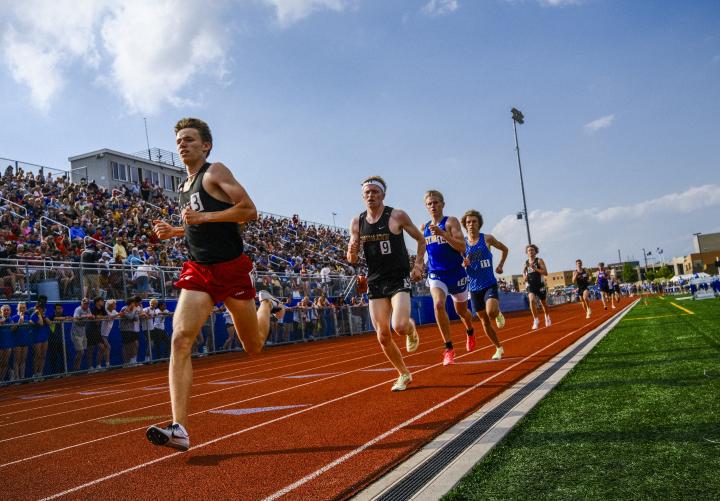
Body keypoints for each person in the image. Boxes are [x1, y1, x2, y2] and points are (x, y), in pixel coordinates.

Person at [147, 117, 284, 451]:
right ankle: (180, 428)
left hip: (233, 270)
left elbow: (249, 211)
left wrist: (203, 218)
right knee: (180, 339)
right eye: (179, 140)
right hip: (200, 272)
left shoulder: (215, 172)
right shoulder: (183, 187)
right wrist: (176, 231)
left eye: (190, 139)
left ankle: (267, 304)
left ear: (205, 145)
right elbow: (199, 227)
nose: (183, 144)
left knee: (253, 346)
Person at [347, 175, 425, 392]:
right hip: (375, 281)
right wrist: (351, 252)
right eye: (367, 192)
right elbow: (351, 258)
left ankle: (411, 330)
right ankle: (404, 373)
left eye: (375, 191)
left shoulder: (396, 216)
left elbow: (421, 239)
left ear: (383, 194)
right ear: (362, 196)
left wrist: (418, 265)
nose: (370, 195)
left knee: (399, 325)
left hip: (398, 278)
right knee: (383, 335)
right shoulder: (357, 222)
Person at [422, 190, 476, 364]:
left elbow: (462, 247)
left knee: (462, 311)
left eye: (436, 202)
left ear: (443, 204)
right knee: (438, 304)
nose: (433, 206)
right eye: (430, 203)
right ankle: (449, 348)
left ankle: (469, 330)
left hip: (456, 273)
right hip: (437, 273)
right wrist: (417, 266)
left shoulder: (450, 222)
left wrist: (443, 234)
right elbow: (424, 250)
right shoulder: (424, 228)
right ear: (426, 206)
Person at [461, 210, 508, 360]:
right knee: (484, 321)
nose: (471, 224)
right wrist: (462, 264)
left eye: (474, 221)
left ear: (479, 223)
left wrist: (500, 265)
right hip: (474, 288)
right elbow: (457, 264)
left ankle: (498, 312)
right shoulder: (461, 244)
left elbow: (505, 249)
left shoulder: (487, 239)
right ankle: (498, 348)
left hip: (489, 283)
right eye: (468, 222)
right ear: (464, 225)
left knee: (491, 312)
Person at [523, 244, 551, 330]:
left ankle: (547, 316)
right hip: (531, 285)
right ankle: (535, 320)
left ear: (535, 251)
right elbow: (524, 273)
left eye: (532, 250)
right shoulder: (526, 263)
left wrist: (535, 269)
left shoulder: (539, 261)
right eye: (529, 250)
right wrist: (525, 277)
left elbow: (545, 272)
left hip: (540, 284)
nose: (530, 252)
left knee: (543, 303)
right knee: (531, 300)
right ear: (527, 252)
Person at [29, 295, 50, 380]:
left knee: (43, 355)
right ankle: (35, 373)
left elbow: (49, 323)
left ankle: (40, 373)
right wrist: (39, 314)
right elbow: (41, 323)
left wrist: (44, 316)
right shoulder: (34, 314)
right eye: (39, 307)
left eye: (41, 307)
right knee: (37, 355)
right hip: (36, 337)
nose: (40, 308)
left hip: (44, 336)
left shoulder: (45, 312)